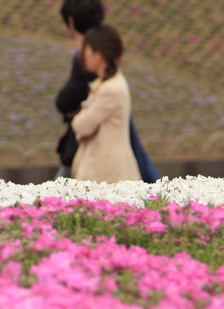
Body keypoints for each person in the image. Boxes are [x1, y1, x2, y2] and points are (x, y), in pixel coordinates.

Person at [54, 0, 160, 182]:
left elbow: (75, 117)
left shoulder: (107, 87)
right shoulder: (112, 81)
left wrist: (81, 111)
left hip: (104, 166)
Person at [70, 24, 141, 183]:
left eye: (87, 50)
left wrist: (79, 116)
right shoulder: (109, 84)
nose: (84, 55)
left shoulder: (110, 89)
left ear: (99, 55)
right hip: (106, 168)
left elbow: (81, 126)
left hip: (107, 171)